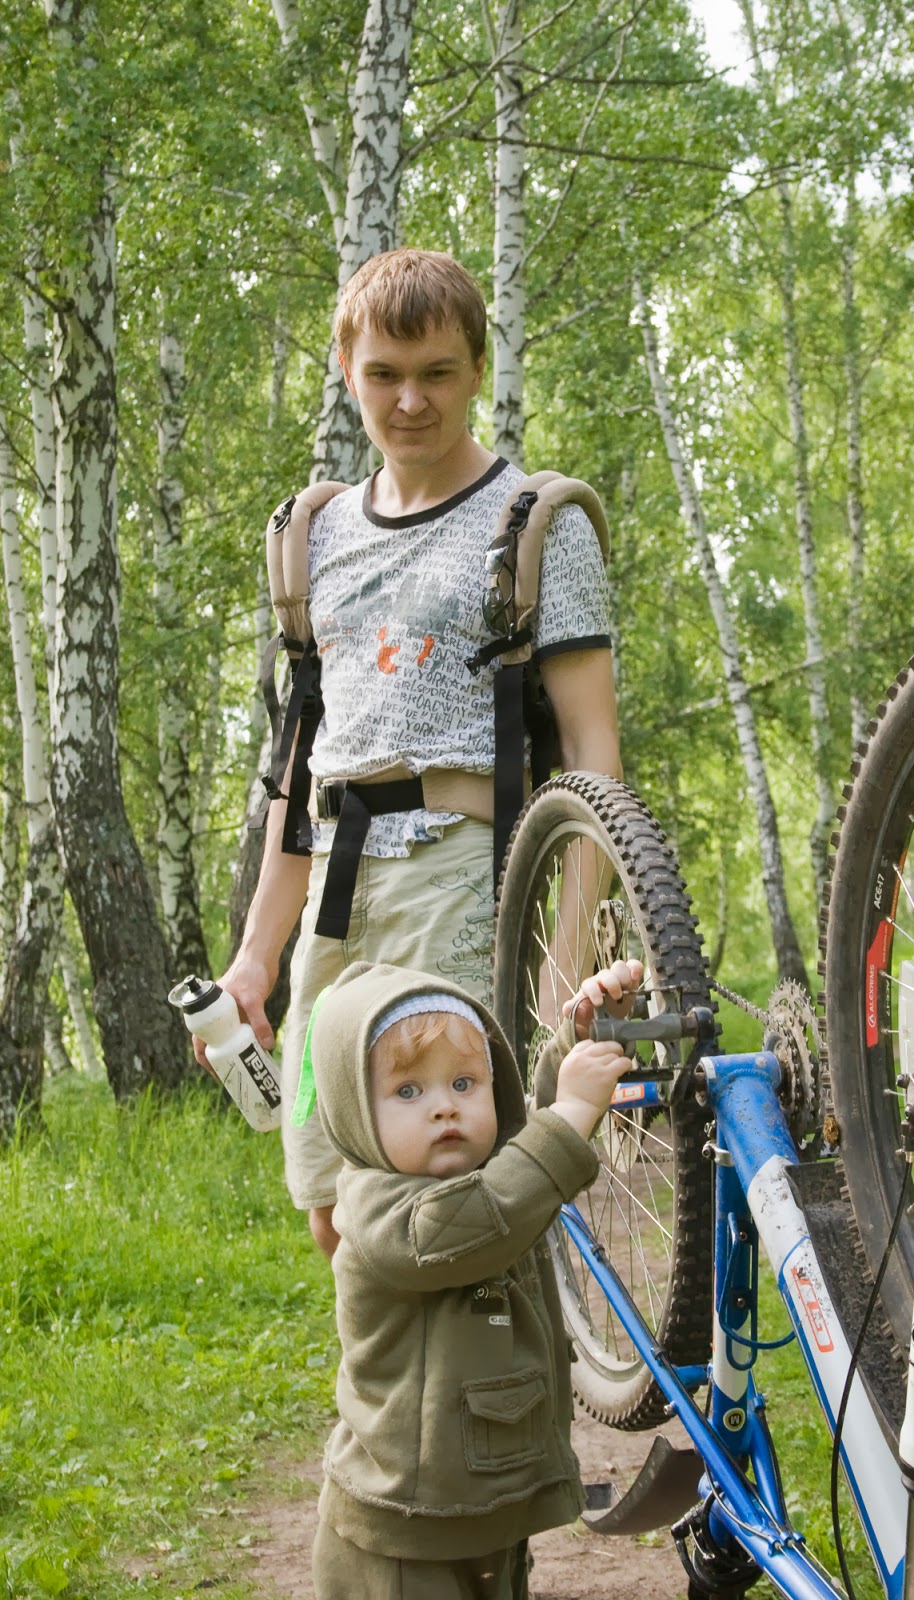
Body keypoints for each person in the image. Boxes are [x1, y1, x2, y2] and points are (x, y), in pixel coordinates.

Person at [198, 248, 621, 1258]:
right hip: (334, 903)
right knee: (332, 1203)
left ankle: (497, 1370)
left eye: (436, 373)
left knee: (451, 1198)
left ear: (476, 368)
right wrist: (257, 958)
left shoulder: (537, 525)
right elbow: (303, 765)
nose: (410, 400)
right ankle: (384, 1376)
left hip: (459, 883)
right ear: (349, 372)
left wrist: (562, 961)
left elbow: (593, 758)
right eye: (384, 374)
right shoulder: (315, 536)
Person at [302, 955, 644, 1600]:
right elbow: (481, 1215)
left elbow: (520, 1144)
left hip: (478, 1500)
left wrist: (583, 1040)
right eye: (409, 1092)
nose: (445, 1109)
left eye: (464, 1083)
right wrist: (572, 1111)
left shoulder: (480, 1170)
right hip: (404, 1536)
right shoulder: (381, 1210)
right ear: (353, 1112)